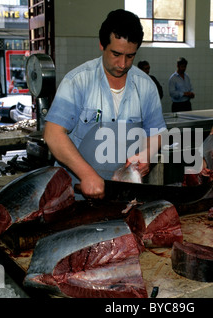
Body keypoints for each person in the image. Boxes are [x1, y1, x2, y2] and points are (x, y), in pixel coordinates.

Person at [43, 9, 167, 200]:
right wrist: (87, 175)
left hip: (123, 194)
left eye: (130, 56)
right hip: (77, 193)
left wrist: (146, 153)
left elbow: (157, 133)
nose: (123, 64)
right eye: (116, 54)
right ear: (102, 44)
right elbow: (53, 134)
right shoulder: (78, 81)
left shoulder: (146, 86)